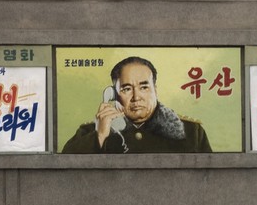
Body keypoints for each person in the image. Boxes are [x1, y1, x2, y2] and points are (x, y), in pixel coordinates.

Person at [61, 56, 213, 153]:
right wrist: (100, 136)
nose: (136, 97)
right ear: (113, 94)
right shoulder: (91, 132)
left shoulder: (192, 133)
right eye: (126, 89)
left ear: (155, 91)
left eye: (144, 87)